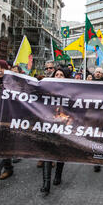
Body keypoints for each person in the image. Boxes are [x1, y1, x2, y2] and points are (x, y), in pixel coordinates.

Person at [40, 67, 71, 196]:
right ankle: (46, 183)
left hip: (63, 125)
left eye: (61, 74)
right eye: (56, 74)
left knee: (60, 151)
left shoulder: (71, 91)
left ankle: (58, 175)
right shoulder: (46, 89)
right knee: (47, 152)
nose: (58, 76)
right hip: (49, 125)